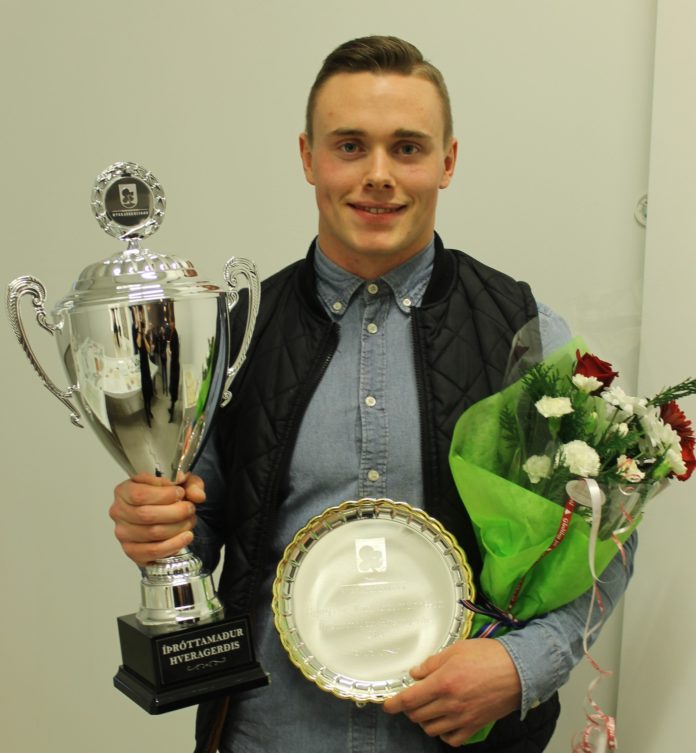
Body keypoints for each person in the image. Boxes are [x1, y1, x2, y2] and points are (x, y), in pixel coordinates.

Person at [109, 36, 635, 753]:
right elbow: (193, 530)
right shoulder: (232, 334)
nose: (379, 175)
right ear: (308, 157)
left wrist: (523, 665)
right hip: (270, 736)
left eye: (407, 148)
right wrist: (156, 528)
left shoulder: (525, 332)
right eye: (350, 146)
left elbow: (607, 536)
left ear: (448, 161)